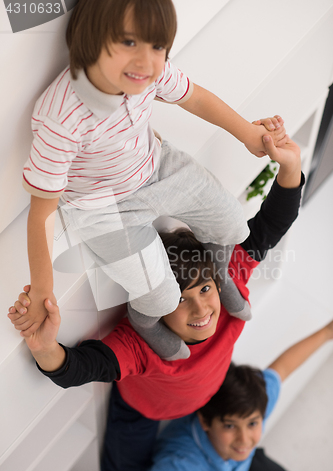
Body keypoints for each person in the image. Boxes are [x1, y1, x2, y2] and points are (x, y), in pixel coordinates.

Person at [9, 134, 303, 471]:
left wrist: (290, 164)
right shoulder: (139, 343)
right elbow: (79, 368)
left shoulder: (229, 289)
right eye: (180, 299)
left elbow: (271, 225)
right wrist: (43, 346)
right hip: (140, 411)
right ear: (156, 304)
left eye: (205, 289)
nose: (201, 309)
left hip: (200, 397)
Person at [14, 0, 287, 361]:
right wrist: (41, 290)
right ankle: (145, 322)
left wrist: (247, 134)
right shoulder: (61, 117)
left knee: (234, 224)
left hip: (157, 165)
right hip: (105, 209)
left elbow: (195, 97)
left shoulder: (147, 73)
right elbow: (41, 212)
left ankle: (221, 280)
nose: (147, 61)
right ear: (90, 39)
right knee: (160, 296)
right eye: (129, 43)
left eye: (158, 47)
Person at [131, 320, 333, 471]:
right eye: (230, 426)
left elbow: (282, 368)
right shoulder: (183, 469)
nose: (244, 439)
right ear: (205, 421)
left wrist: (327, 332)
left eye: (252, 424)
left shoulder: (253, 404)